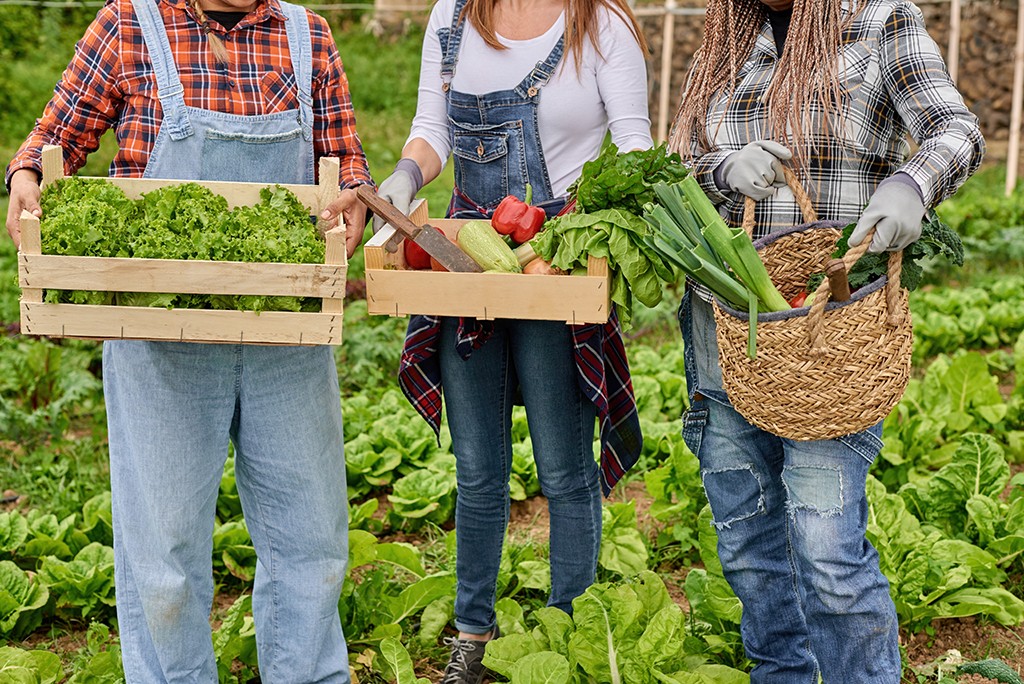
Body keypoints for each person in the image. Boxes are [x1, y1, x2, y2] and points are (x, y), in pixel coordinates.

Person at [5, 0, 371, 680]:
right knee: (163, 564)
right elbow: (48, 143)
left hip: (284, 338)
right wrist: (25, 178)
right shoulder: (127, 26)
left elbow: (347, 168)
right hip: (159, 341)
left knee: (311, 546)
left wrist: (353, 203)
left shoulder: (308, 37)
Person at [667, 0, 984, 680]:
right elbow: (677, 164)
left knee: (827, 551)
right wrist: (722, 171)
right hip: (723, 328)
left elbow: (953, 129)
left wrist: (911, 185)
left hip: (826, 338)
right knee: (748, 541)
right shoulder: (731, 30)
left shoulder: (879, 19)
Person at [368, 0, 650, 680]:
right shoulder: (453, 16)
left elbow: (636, 145)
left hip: (559, 257)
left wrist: (576, 229)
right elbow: (430, 130)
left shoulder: (600, 23)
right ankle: (472, 631)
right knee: (480, 471)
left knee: (563, 469)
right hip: (471, 255)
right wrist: (406, 177)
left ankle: (569, 631)